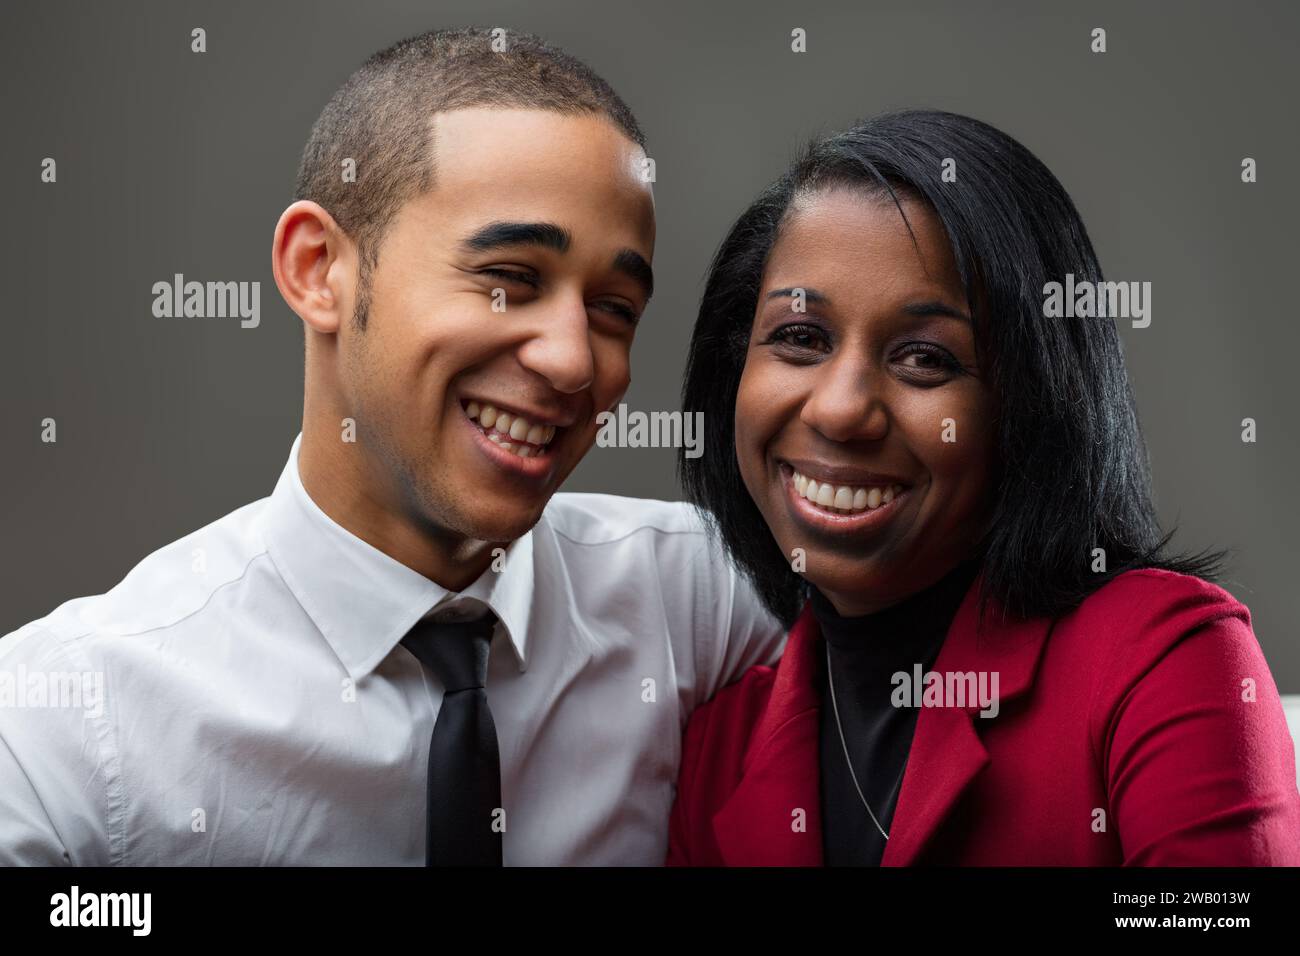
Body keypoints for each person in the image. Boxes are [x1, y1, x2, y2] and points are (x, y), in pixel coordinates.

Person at [0, 27, 785, 866]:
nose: (572, 359)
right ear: (318, 270)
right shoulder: (68, 730)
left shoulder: (698, 601)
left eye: (614, 308)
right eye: (508, 279)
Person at [666, 109, 1300, 866]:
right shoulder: (718, 745)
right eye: (801, 338)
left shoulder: (1163, 660)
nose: (840, 410)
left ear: (1029, 403)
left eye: (926, 359)